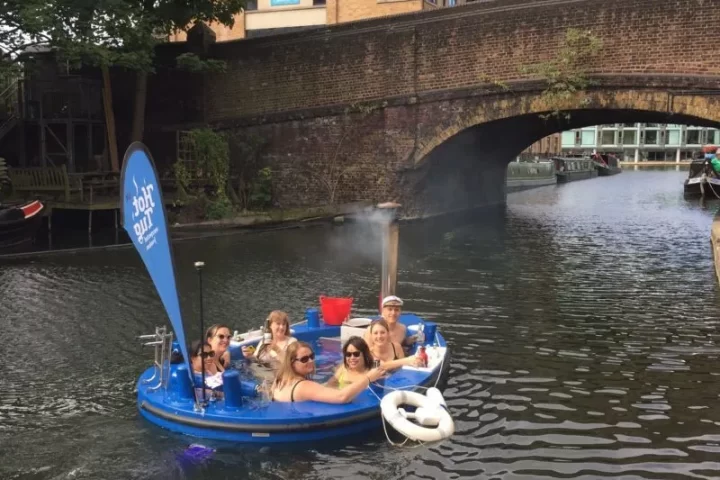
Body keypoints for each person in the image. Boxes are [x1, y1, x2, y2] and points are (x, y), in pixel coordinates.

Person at [271, 341, 385, 403]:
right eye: (304, 359)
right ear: (292, 363)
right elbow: (341, 397)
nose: (310, 361)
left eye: (312, 356)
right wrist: (368, 378)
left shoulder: (280, 379)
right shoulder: (304, 386)